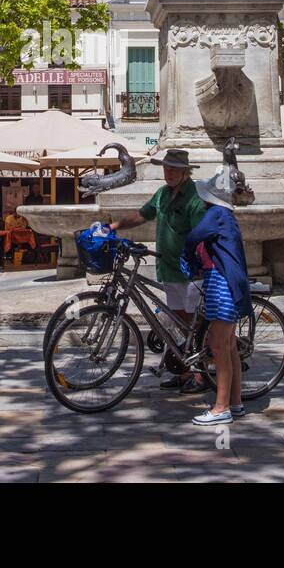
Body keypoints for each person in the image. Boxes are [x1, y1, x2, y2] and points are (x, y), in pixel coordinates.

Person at [108, 149, 208, 392]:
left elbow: (201, 234)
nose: (169, 172)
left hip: (191, 272)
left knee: (198, 325)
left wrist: (202, 266)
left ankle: (202, 376)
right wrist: (113, 226)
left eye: (174, 168)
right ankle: (184, 372)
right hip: (169, 269)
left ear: (186, 171)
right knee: (177, 322)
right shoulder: (162, 194)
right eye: (166, 167)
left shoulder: (194, 197)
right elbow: (142, 215)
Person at [182, 166, 253, 426]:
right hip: (228, 283)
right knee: (230, 345)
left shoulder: (217, 214)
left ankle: (220, 407)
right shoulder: (225, 214)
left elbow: (193, 237)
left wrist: (186, 258)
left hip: (221, 284)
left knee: (218, 346)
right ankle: (235, 403)